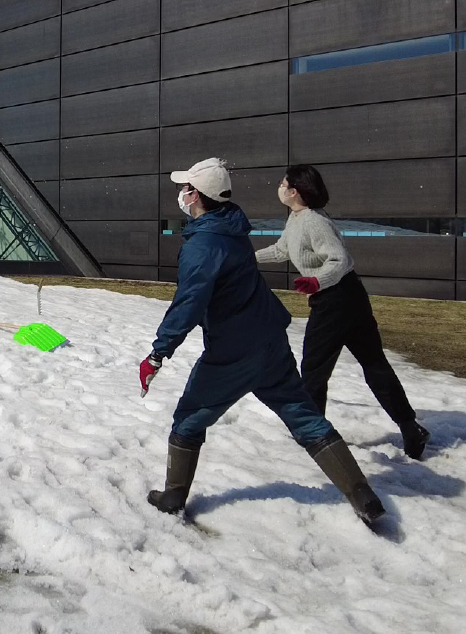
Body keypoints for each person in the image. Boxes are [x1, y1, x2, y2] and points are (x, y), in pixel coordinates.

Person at [140, 157, 385, 525]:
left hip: (232, 352)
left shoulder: (203, 244)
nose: (181, 193)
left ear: (196, 195)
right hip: (270, 341)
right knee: (304, 416)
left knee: (188, 419)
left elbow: (189, 303)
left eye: (185, 188)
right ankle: (361, 494)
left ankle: (173, 497)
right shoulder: (232, 227)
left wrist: (158, 354)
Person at [255, 165, 430, 459]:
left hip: (335, 299)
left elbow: (338, 259)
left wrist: (316, 281)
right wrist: (247, 258)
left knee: (314, 368)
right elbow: (281, 249)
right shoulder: (297, 218)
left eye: (283, 183)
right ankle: (410, 428)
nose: (279, 187)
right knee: (373, 364)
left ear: (294, 191)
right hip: (348, 296)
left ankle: (312, 433)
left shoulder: (314, 221)